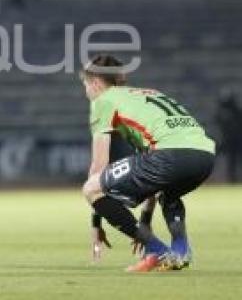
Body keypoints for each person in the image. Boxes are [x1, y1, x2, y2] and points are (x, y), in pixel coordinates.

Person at [80, 55, 215, 273]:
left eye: (85, 84)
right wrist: (144, 222)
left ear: (95, 82)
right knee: (169, 192)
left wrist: (97, 222)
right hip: (205, 155)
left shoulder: (102, 101)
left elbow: (98, 168)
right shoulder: (147, 94)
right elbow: (152, 176)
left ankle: (157, 251)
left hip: (169, 155)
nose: (85, 91)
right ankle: (180, 251)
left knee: (90, 189)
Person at [215, 89, 242, 183]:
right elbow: (220, 126)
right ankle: (232, 179)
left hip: (236, 140)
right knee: (232, 162)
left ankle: (232, 179)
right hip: (230, 140)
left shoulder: (236, 111)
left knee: (233, 161)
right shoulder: (222, 112)